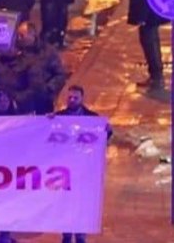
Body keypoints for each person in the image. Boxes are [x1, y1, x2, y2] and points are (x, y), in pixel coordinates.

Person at [55, 85, 112, 243]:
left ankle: (80, 237)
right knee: (66, 205)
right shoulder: (59, 117)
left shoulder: (92, 119)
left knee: (81, 205)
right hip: (65, 171)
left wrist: (107, 131)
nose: (72, 100)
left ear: (82, 99)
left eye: (75, 97)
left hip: (85, 171)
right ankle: (66, 236)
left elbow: (101, 140)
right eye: (70, 97)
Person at [0, 21, 66, 115]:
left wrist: (48, 89)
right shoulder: (14, 52)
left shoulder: (48, 52)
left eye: (22, 35)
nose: (19, 38)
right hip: (18, 102)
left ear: (32, 34)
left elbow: (60, 75)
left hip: (41, 101)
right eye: (18, 35)